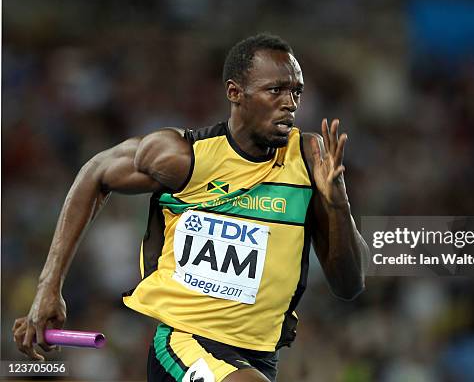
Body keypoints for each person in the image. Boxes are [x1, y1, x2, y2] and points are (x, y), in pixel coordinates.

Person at [13, 34, 368, 382]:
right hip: (183, 344)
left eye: (296, 91)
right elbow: (94, 173)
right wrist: (48, 287)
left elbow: (350, 283)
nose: (290, 103)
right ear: (235, 93)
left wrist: (339, 206)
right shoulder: (185, 157)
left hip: (260, 357)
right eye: (275, 90)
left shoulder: (309, 160)